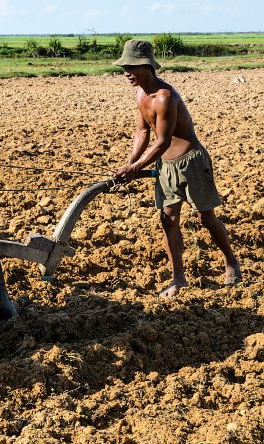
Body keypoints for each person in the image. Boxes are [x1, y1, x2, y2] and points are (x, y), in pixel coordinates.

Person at [113, 39, 242, 297]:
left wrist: (137, 166)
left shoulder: (164, 97)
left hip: (191, 162)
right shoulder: (140, 94)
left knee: (206, 218)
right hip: (166, 167)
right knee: (168, 220)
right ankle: (178, 279)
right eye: (124, 66)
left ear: (147, 66)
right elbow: (142, 133)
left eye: (132, 66)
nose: (127, 72)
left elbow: (162, 141)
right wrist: (129, 165)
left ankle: (231, 261)